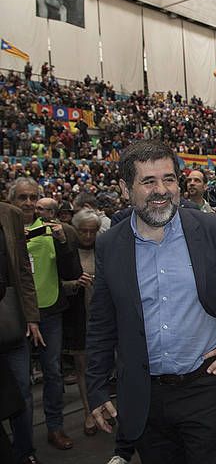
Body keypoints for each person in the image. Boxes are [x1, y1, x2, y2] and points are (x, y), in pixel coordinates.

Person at [86, 140, 216, 464]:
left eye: (169, 179)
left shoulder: (212, 229)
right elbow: (102, 322)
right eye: (149, 182)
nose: (162, 190)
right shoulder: (110, 245)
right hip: (145, 396)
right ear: (125, 188)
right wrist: (97, 388)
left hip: (206, 388)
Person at [9, 177, 82, 453]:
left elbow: (72, 273)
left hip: (50, 312)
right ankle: (24, 443)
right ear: (11, 200)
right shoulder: (6, 231)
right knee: (20, 382)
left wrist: (63, 244)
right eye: (22, 198)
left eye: (33, 198)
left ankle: (55, 427)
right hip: (17, 317)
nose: (28, 203)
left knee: (53, 373)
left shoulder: (53, 230)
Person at [0, 202, 42, 464]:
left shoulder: (10, 214)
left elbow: (24, 270)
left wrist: (32, 317)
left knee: (22, 390)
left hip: (11, 319)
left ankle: (25, 451)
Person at [61, 209, 101, 437]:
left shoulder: (103, 249)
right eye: (83, 231)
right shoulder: (67, 252)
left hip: (102, 317)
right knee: (83, 368)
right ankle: (89, 411)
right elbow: (56, 283)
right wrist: (74, 283)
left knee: (106, 364)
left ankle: (104, 406)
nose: (87, 236)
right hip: (78, 317)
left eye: (92, 231)